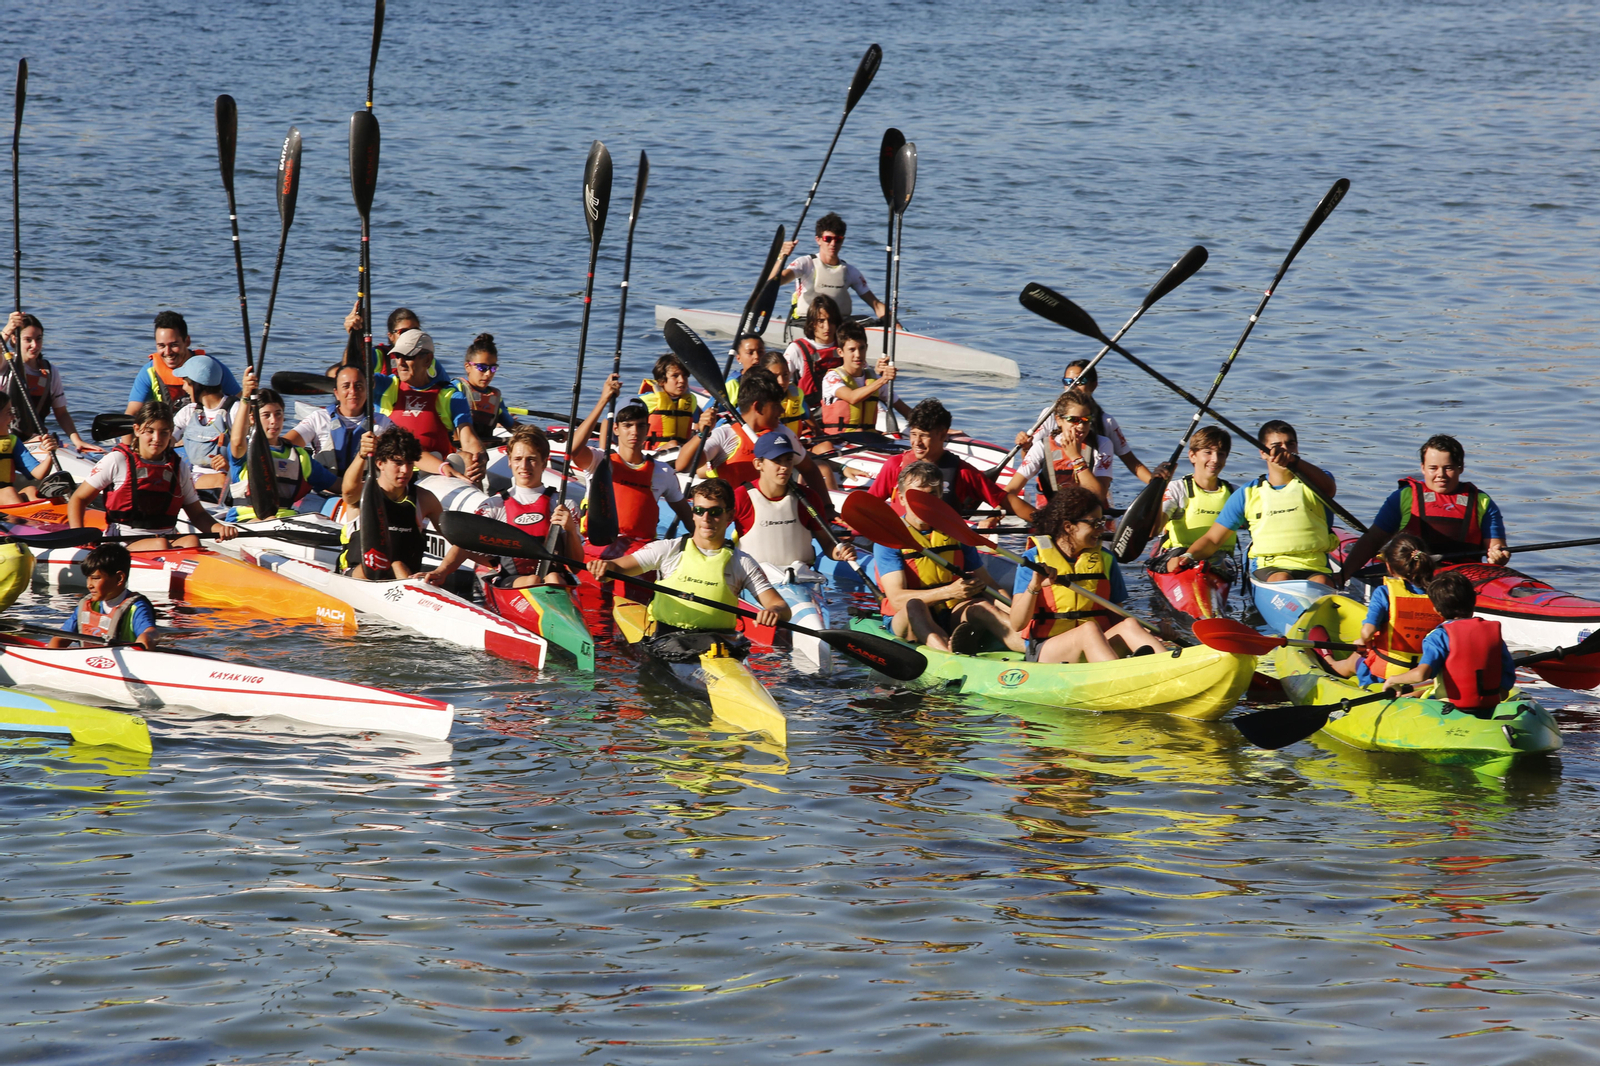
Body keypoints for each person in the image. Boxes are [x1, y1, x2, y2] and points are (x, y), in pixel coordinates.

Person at [587, 478, 788, 633]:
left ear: (730, 515)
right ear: (693, 514)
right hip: (667, 642)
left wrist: (773, 612)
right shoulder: (668, 550)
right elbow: (619, 568)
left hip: (719, 648)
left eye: (715, 511)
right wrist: (605, 568)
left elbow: (781, 607)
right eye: (699, 511)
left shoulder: (742, 563)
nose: (706, 519)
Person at [1167, 420, 1339, 584]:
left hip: (1315, 567)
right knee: (1282, 579)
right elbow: (1213, 539)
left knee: (1322, 581)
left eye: (1291, 444)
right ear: (1263, 453)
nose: (1285, 450)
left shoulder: (1316, 481)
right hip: (1271, 568)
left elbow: (1329, 489)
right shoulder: (1246, 494)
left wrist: (1295, 462)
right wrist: (1189, 556)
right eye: (1276, 447)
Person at [873, 459, 1017, 652]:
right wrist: (949, 592)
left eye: (932, 494)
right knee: (914, 606)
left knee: (982, 606)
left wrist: (1017, 613)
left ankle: (1032, 647)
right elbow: (897, 599)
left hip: (952, 611)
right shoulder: (890, 538)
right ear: (901, 497)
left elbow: (989, 583)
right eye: (916, 495)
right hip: (906, 619)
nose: (924, 501)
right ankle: (949, 656)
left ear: (940, 495)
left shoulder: (956, 531)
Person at [1011, 486, 1164, 663]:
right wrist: (1034, 585)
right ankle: (1118, 677)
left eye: (1103, 522)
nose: (1102, 529)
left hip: (1097, 643)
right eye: (1095, 523)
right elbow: (1017, 624)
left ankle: (1170, 667)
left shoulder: (1106, 559)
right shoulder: (1032, 560)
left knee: (1129, 624)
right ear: (1069, 526)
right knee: (1088, 629)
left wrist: (1148, 631)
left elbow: (1116, 615)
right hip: (1048, 649)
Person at [1336, 434, 1511, 582]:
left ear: (1461, 468)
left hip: (1462, 581)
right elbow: (1372, 540)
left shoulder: (1482, 502)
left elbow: (1497, 549)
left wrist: (1498, 558)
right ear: (1423, 468)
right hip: (1413, 576)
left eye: (1448, 468)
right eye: (1433, 468)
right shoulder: (1404, 497)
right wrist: (1343, 575)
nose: (1440, 475)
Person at [425, 424, 580, 589]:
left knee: (554, 577)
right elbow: (465, 544)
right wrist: (441, 572)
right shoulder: (494, 506)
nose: (524, 466)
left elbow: (575, 567)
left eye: (532, 459)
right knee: (533, 581)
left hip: (555, 580)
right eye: (518, 459)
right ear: (510, 462)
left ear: (544, 462)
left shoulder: (563, 506)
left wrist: (570, 531)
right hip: (511, 580)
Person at [69, 401, 239, 550]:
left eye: (164, 432)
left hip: (166, 539)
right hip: (121, 542)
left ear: (171, 432)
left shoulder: (178, 467)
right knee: (161, 544)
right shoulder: (116, 460)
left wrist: (219, 529)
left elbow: (198, 515)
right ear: (137, 430)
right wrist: (79, 537)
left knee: (192, 541)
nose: (156, 439)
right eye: (149, 431)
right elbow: (78, 499)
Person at [674, 369, 833, 513]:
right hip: (738, 517)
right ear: (757, 407)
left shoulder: (783, 433)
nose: (782, 410)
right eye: (777, 404)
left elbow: (810, 470)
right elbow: (683, 466)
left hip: (777, 515)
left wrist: (827, 508)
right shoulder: (725, 435)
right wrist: (700, 435)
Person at [568, 376, 693, 556]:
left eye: (640, 426)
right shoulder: (599, 462)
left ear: (647, 429)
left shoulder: (663, 471)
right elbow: (572, 450)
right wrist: (603, 400)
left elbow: (687, 518)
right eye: (628, 426)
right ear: (616, 429)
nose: (634, 432)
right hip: (599, 549)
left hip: (640, 556)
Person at [1381, 570, 1516, 712]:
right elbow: (1507, 677)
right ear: (1474, 601)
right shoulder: (1492, 632)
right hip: (1490, 706)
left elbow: (1422, 674)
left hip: (1451, 709)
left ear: (1437, 611)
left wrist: (1393, 679)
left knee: (1415, 697)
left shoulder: (1438, 636)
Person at [867, 398, 1016, 521]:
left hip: (942, 545)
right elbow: (866, 506)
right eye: (913, 434)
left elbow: (1004, 500)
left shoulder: (962, 471)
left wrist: (1036, 519)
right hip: (901, 546)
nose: (917, 442)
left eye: (924, 435)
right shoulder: (895, 465)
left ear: (943, 435)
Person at [1318, 533, 1436, 684]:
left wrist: (1361, 640)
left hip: (1385, 672)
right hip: (1424, 673)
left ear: (1389, 567)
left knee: (1354, 660)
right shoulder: (1438, 594)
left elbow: (1368, 631)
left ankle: (1330, 663)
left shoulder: (1384, 593)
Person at [731, 431, 856, 571]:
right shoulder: (740, 497)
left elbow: (827, 544)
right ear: (758, 464)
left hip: (802, 580)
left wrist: (839, 552)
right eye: (777, 461)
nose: (784, 466)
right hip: (755, 582)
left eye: (788, 459)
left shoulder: (809, 497)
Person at [373, 329, 487, 482]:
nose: (400, 363)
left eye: (408, 357)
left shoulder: (450, 395)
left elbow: (467, 437)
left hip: (436, 472)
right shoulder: (385, 385)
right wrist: (355, 334)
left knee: (469, 459)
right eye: (398, 356)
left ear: (428, 360)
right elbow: (354, 373)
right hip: (394, 469)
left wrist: (479, 457)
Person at [1018, 358, 1152, 484]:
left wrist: (1159, 487)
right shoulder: (1049, 415)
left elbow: (1132, 463)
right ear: (1059, 420)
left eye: (1080, 381)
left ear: (1093, 385)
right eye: (1068, 382)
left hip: (1093, 490)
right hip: (1055, 488)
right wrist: (1025, 448)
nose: (1073, 387)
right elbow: (1029, 461)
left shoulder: (1106, 422)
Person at [338, 426, 443, 580]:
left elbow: (455, 539)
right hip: (358, 575)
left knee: (398, 565)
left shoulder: (425, 499)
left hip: (403, 579)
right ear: (380, 463)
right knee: (372, 569)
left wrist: (441, 571)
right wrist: (362, 456)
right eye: (398, 463)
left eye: (409, 463)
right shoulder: (363, 494)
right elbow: (347, 492)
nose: (405, 470)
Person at [226, 381, 338, 521]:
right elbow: (236, 442)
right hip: (245, 521)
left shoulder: (300, 456)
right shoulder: (245, 451)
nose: (274, 421)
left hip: (286, 521)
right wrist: (245, 398)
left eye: (278, 414)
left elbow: (337, 485)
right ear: (253, 418)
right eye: (266, 415)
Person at [0, 310, 101, 452]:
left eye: (39, 339)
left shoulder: (50, 371)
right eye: (28, 340)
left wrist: (77, 440)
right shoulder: (5, 363)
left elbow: (61, 413)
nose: (35, 345)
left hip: (38, 441)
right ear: (15, 339)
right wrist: (8, 329)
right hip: (6, 439)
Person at [1004, 388, 1113, 517]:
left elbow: (1098, 496)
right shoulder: (1042, 447)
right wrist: (994, 517)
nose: (1080, 426)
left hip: (1090, 518)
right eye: (1073, 420)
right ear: (1059, 420)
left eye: (1086, 420)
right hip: (1055, 518)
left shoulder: (1102, 445)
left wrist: (1075, 457)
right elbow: (1010, 491)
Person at [124, 311, 242, 421]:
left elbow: (241, 401)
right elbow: (132, 413)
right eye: (161, 346)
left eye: (174, 345)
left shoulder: (210, 369)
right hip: (165, 434)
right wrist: (126, 444)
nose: (168, 352)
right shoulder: (149, 371)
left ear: (187, 341)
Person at [283, 364, 394, 480]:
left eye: (359, 386)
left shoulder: (383, 423)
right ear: (336, 393)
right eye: (346, 386)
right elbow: (284, 446)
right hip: (323, 492)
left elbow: (404, 452)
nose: (353, 391)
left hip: (365, 491)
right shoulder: (319, 419)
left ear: (367, 390)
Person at [1147, 425, 1235, 571]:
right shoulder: (1177, 489)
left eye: (1221, 454)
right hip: (1177, 557)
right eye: (1208, 452)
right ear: (1192, 456)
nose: (1215, 459)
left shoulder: (1234, 493)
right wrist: (1158, 490)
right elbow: (1153, 531)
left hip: (1216, 560)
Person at [773, 212, 887, 323]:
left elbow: (876, 305)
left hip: (838, 323)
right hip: (807, 322)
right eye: (828, 239)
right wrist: (781, 257)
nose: (833, 244)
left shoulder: (850, 271)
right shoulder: (805, 263)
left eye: (838, 239)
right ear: (818, 240)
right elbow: (775, 281)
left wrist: (896, 325)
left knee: (872, 320)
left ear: (843, 241)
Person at [51, 544, 159, 650]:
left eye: (96, 578)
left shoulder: (137, 607)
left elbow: (151, 632)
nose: (89, 585)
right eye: (88, 578)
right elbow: (60, 639)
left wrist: (148, 637)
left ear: (119, 579)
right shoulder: (86, 605)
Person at [818, 320, 912, 434]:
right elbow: (852, 397)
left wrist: (926, 426)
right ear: (840, 352)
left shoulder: (873, 378)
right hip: (839, 441)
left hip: (868, 439)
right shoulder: (832, 378)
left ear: (866, 348)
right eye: (852, 350)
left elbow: (903, 409)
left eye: (861, 348)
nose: (858, 355)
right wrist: (883, 379)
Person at [169, 355, 234, 493]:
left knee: (221, 479)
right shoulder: (188, 412)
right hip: (195, 478)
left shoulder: (235, 411)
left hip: (229, 478)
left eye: (186, 382)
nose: (183, 386)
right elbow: (168, 440)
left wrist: (229, 467)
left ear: (198, 385)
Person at [343, 303, 444, 381]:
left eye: (415, 330)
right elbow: (349, 369)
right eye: (403, 331)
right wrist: (355, 334)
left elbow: (446, 388)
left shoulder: (428, 360)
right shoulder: (378, 356)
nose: (410, 335)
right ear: (391, 336)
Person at [781, 293, 843, 411]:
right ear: (812, 323)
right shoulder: (796, 349)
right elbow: (777, 382)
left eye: (831, 320)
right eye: (821, 321)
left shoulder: (846, 346)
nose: (827, 327)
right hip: (810, 413)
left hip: (839, 412)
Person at [453, 332, 517, 443]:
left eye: (493, 368)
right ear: (468, 367)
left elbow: (513, 427)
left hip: (485, 452)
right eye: (482, 367)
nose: (488, 374)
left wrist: (540, 434)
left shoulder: (495, 397)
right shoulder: (455, 389)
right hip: (458, 449)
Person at [0, 391, 58, 505]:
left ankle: (50, 518)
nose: (13, 417)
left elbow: (39, 473)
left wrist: (51, 454)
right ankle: (24, 521)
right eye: (8, 412)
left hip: (6, 497)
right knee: (8, 492)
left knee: (32, 491)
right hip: (6, 495)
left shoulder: (12, 442)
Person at [638, 353, 704, 450]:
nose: (682, 380)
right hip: (652, 452)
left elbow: (699, 422)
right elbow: (618, 422)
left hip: (681, 452)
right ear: (661, 381)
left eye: (685, 376)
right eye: (675, 376)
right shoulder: (647, 400)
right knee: (673, 444)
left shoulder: (691, 401)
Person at [762, 350, 810, 438]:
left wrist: (817, 430)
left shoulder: (797, 393)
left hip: (794, 443)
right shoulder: (758, 398)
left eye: (785, 375)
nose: (782, 382)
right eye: (775, 376)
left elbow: (807, 415)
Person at [724, 334, 766, 409]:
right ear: (738, 358)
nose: (756, 356)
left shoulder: (771, 380)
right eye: (750, 352)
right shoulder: (732, 384)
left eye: (760, 352)